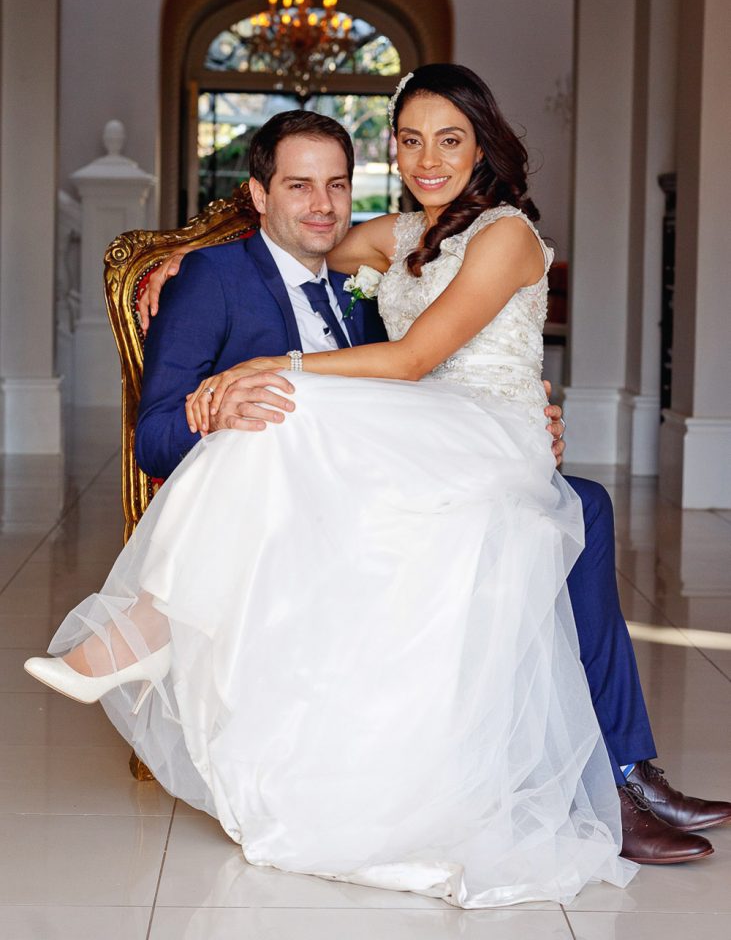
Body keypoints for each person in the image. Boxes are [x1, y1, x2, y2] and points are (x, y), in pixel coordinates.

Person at [20, 67, 722, 906]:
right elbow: (278, 266)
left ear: (480, 147)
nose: (427, 159)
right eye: (411, 141)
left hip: (454, 435)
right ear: (263, 193)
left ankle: (621, 774)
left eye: (449, 140)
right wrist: (185, 261)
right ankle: (610, 778)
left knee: (573, 510)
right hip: (379, 465)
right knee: (291, 414)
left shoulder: (494, 235)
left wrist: (276, 365)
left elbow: (410, 356)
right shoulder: (378, 240)